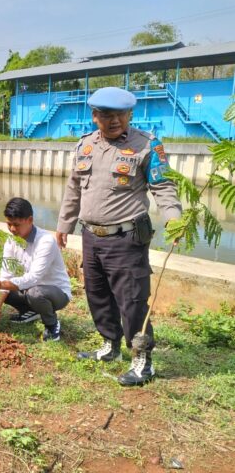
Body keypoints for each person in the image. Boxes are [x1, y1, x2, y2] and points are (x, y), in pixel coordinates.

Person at [56, 87, 182, 386]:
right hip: (91, 237)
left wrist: (174, 220)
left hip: (126, 239)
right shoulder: (85, 146)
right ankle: (109, 346)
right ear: (95, 116)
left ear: (130, 115)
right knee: (97, 295)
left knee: (133, 301)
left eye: (121, 115)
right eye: (107, 115)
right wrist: (64, 224)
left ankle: (142, 361)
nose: (115, 121)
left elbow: (163, 187)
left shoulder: (146, 145)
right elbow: (74, 188)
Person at [0, 197, 71, 341]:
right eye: (9, 224)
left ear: (30, 220)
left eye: (16, 224)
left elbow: (34, 278)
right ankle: (30, 311)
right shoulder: (11, 240)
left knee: (34, 293)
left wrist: (0, 284)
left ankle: (52, 324)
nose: (12, 229)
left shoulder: (45, 241)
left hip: (56, 293)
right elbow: (6, 275)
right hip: (30, 290)